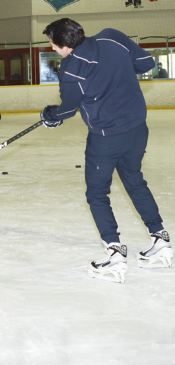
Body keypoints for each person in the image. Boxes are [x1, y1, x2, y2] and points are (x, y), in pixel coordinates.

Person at [41, 18, 171, 284]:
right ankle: (161, 242)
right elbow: (147, 63)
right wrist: (117, 74)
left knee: (98, 193)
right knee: (134, 180)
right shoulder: (111, 36)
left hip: (106, 138)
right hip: (137, 128)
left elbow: (66, 110)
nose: (52, 48)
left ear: (66, 45)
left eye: (53, 45)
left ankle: (114, 257)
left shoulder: (72, 68)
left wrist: (49, 115)